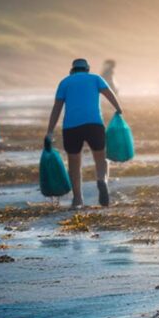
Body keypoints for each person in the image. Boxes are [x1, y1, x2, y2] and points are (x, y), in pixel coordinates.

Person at [45, 58, 123, 209]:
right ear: (87, 69)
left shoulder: (65, 82)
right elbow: (110, 94)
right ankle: (101, 180)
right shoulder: (96, 78)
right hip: (94, 124)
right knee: (100, 158)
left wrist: (50, 131)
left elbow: (57, 108)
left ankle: (77, 199)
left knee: (74, 163)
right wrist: (118, 109)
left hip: (71, 127)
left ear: (72, 70)